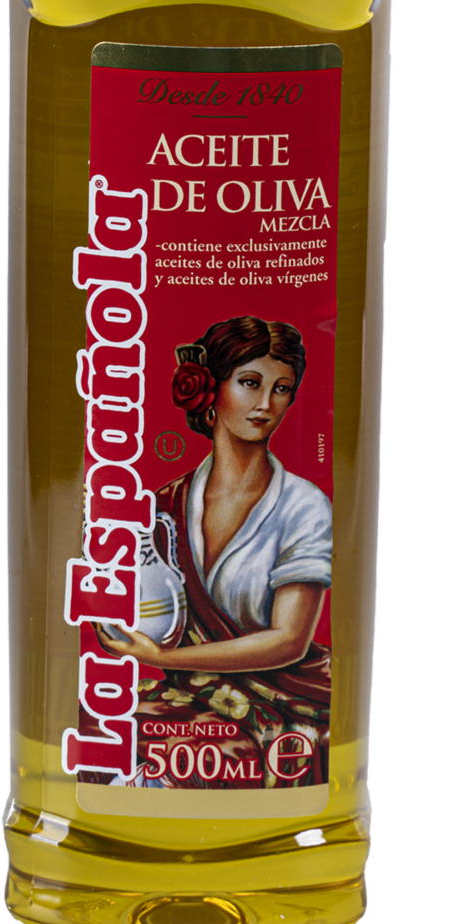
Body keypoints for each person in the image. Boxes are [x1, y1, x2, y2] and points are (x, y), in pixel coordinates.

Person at [97, 315, 332, 788]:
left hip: (285, 695)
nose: (265, 404)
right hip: (183, 692)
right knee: (95, 732)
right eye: (250, 383)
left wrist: (163, 659)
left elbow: (289, 640)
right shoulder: (165, 504)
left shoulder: (303, 506)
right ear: (211, 387)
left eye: (282, 388)